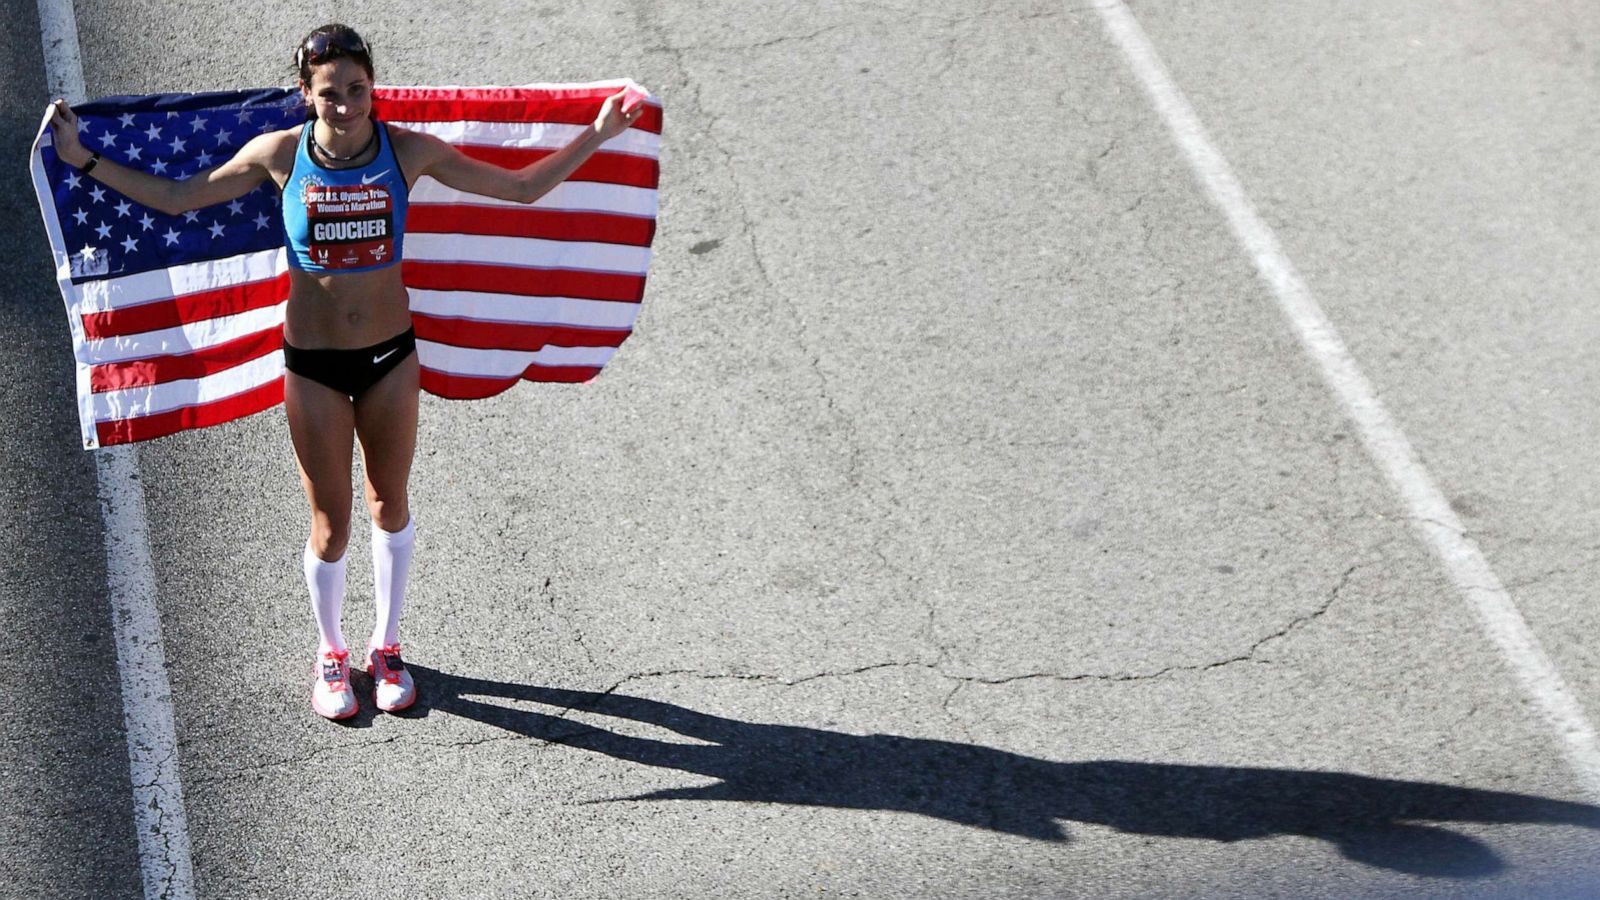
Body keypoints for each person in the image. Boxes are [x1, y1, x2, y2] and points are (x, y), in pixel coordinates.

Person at [47, 23, 645, 720]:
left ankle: (386, 647)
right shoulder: (279, 155)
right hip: (314, 367)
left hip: (392, 359)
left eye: (357, 90)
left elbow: (519, 189)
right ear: (306, 94)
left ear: (372, 88)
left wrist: (598, 134)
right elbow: (181, 199)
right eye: (329, 93)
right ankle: (330, 654)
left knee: (390, 504)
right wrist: (82, 160)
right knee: (330, 522)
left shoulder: (408, 151)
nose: (345, 105)